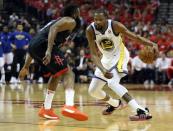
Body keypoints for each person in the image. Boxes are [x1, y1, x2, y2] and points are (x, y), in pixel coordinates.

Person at [86, 9, 159, 121]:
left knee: (112, 83)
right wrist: (102, 69)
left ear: (106, 18)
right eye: (95, 19)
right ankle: (115, 103)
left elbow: (135, 37)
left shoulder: (115, 25)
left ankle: (140, 111)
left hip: (120, 55)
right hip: (105, 58)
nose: (97, 22)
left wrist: (151, 43)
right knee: (93, 91)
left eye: (100, 19)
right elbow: (94, 54)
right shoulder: (90, 30)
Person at [19, 4, 88, 121]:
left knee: (56, 75)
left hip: (34, 46)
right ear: (75, 13)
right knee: (69, 73)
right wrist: (49, 50)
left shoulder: (57, 21)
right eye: (79, 12)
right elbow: (53, 29)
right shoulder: (70, 20)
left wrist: (26, 66)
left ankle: (46, 109)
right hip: (44, 46)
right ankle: (69, 105)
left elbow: (34, 45)